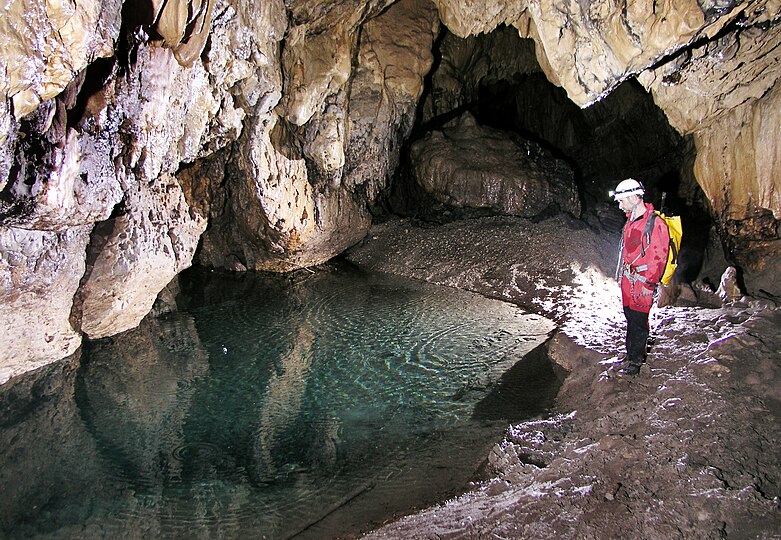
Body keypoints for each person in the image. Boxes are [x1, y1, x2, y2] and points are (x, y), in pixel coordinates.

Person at [611, 178, 669, 376]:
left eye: (622, 200)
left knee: (638, 320)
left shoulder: (655, 223)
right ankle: (630, 354)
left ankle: (635, 362)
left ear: (635, 198)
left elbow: (659, 257)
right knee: (629, 316)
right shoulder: (630, 220)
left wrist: (650, 283)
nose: (619, 205)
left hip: (643, 282)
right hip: (629, 279)